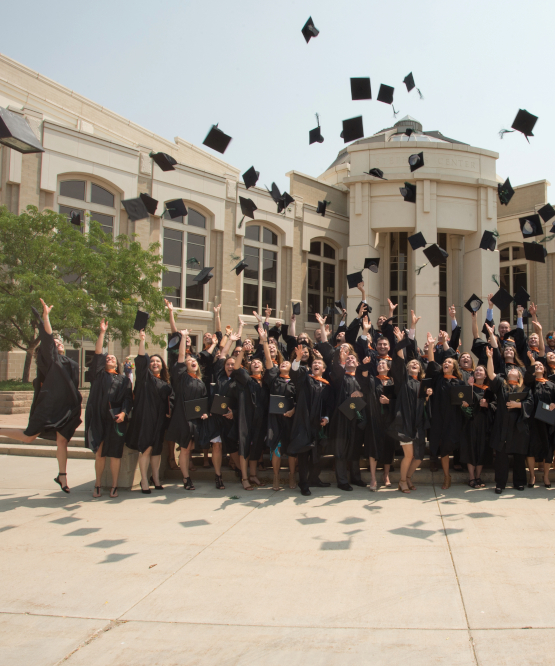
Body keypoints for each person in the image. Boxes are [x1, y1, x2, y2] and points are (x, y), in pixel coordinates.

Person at [0, 299, 82, 493]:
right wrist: (45, 318)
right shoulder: (49, 361)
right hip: (49, 406)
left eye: (59, 341)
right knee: (29, 438)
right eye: (54, 342)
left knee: (63, 441)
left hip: (67, 408)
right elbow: (47, 339)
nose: (57, 343)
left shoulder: (71, 363)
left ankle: (62, 477)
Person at [386, 313, 433, 493]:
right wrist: (401, 341)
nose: (414, 364)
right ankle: (403, 481)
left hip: (418, 422)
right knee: (409, 455)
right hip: (405, 421)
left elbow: (423, 402)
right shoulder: (403, 380)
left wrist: (427, 394)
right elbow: (398, 360)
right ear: (407, 368)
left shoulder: (422, 383)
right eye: (411, 363)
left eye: (416, 363)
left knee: (419, 457)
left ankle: (408, 478)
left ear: (420, 368)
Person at [85, 319, 133, 498]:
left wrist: (123, 413)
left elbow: (128, 399)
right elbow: (98, 353)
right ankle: (98, 484)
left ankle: (114, 485)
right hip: (98, 418)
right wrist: (102, 332)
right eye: (107, 358)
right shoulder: (98, 376)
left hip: (116, 420)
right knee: (99, 452)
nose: (110, 358)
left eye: (113, 357)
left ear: (117, 363)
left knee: (115, 454)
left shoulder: (123, 380)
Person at [125, 329, 174, 494]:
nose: (154, 363)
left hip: (160, 419)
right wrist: (142, 341)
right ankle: (144, 480)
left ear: (162, 365)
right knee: (146, 448)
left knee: (157, 450)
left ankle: (156, 478)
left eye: (158, 361)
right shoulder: (145, 378)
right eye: (152, 361)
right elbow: (140, 361)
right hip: (146, 417)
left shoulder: (165, 381)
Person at [165, 328, 210, 491]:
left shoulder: (200, 382)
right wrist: (183, 337)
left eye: (194, 361)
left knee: (189, 449)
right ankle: (186, 478)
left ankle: (186, 475)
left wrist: (204, 413)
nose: (192, 361)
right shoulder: (181, 378)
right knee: (184, 450)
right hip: (182, 418)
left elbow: (203, 402)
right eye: (188, 360)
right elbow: (181, 356)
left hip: (195, 420)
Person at [486, 347, 533, 494]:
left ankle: (519, 482)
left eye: (515, 371)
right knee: (501, 457)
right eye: (509, 371)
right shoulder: (501, 385)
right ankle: (500, 483)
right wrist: (489, 358)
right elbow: (491, 374)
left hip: (518, 428)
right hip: (503, 427)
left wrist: (518, 404)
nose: (511, 371)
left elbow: (531, 403)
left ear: (519, 376)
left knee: (519, 456)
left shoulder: (524, 388)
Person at [289, 345, 332, 496]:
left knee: (317, 454)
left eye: (319, 364)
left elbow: (327, 405)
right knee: (303, 454)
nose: (316, 365)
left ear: (324, 369)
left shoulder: (326, 386)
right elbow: (294, 374)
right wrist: (298, 359)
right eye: (314, 363)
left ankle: (314, 479)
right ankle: (303, 483)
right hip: (304, 423)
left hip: (318, 426)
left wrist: (326, 418)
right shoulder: (305, 381)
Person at [426, 331, 465, 490]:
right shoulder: (438, 377)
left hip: (453, 419)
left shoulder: (459, 383)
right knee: (441, 448)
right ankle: (446, 476)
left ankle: (451, 473)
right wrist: (430, 346)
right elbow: (431, 362)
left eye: (449, 362)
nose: (446, 363)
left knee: (451, 444)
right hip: (438, 418)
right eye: (445, 362)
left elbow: (465, 400)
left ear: (454, 366)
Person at [259, 327, 297, 491]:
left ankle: (291, 476)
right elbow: (268, 359)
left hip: (291, 418)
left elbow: (299, 400)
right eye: (282, 363)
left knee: (292, 449)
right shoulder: (274, 379)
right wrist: (264, 342)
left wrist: (293, 411)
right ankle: (276, 477)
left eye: (287, 363)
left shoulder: (296, 381)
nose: (283, 364)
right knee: (276, 447)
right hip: (275, 418)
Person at [228, 340, 269, 490]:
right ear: (250, 367)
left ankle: (253, 475)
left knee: (256, 447)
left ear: (263, 367)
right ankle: (244, 478)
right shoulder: (246, 380)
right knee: (244, 447)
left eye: (259, 362)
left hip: (260, 419)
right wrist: (244, 352)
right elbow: (237, 367)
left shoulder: (265, 383)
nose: (256, 363)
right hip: (246, 417)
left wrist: (264, 342)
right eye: (253, 363)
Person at [327, 343, 366, 491]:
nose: (350, 360)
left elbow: (369, 394)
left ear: (358, 363)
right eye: (347, 359)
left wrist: (362, 394)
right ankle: (342, 481)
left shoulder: (362, 379)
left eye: (352, 359)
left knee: (355, 449)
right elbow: (336, 370)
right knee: (341, 450)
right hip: (342, 418)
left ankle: (356, 477)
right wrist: (340, 359)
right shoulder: (340, 378)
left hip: (357, 417)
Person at [523, 352, 555, 487]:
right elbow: (528, 377)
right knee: (531, 447)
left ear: (545, 369)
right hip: (532, 420)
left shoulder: (552, 385)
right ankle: (532, 475)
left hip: (547, 421)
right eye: (536, 366)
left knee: (548, 447)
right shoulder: (530, 384)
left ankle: (546, 476)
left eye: (540, 365)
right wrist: (532, 362)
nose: (538, 367)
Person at [459, 365, 492, 488]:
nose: (478, 372)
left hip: (484, 424)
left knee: (482, 449)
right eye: (476, 370)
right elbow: (463, 404)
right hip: (471, 423)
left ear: (485, 375)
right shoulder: (469, 388)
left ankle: (478, 476)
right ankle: (471, 477)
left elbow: (495, 406)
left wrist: (487, 405)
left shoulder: (489, 390)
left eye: (481, 370)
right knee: (471, 449)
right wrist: (469, 388)